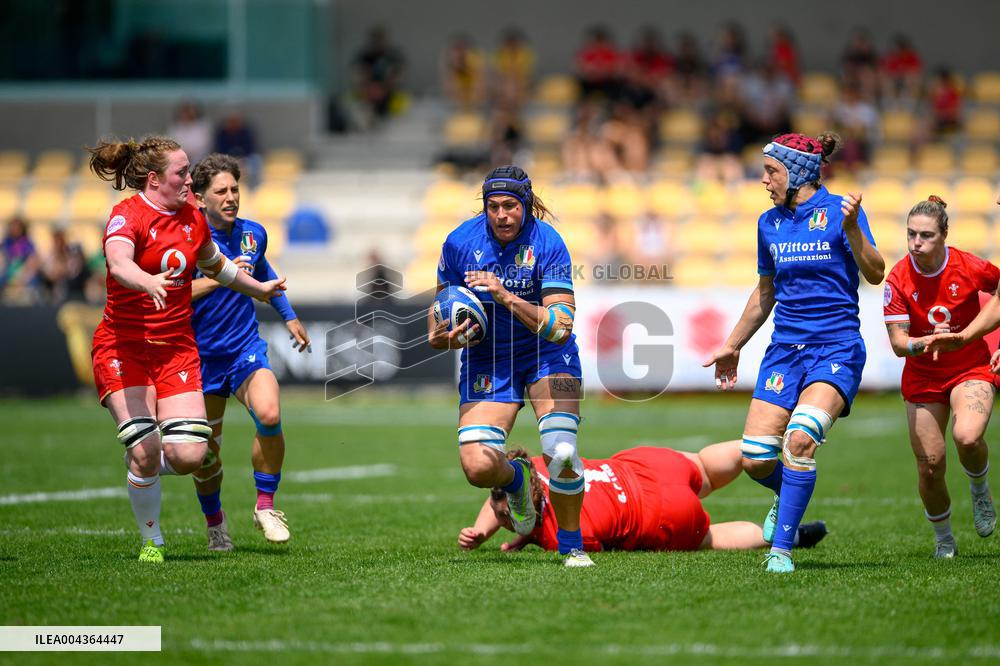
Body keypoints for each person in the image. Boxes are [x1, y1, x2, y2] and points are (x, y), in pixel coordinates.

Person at [87, 136, 287, 562]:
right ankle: (152, 541)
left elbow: (220, 266)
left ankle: (146, 460)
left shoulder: (192, 220)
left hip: (176, 348)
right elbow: (119, 262)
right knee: (143, 452)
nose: (188, 180)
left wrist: (261, 289)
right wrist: (147, 281)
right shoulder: (128, 215)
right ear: (155, 178)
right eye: (181, 172)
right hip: (125, 346)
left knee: (190, 454)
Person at [703, 131, 885, 573]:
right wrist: (732, 344)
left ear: (799, 172)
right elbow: (766, 293)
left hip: (836, 347)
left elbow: (877, 272)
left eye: (771, 172)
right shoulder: (769, 223)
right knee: (755, 457)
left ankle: (781, 550)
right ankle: (790, 498)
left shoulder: (841, 211)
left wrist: (852, 232)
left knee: (799, 442)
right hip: (784, 350)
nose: (764, 180)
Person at [429, 165, 591, 567]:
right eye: (493, 207)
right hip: (489, 357)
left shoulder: (549, 243)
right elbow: (435, 322)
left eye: (510, 206)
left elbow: (561, 326)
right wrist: (444, 337)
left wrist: (506, 297)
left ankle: (571, 545)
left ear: (527, 205)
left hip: (551, 355)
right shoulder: (459, 243)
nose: (501, 215)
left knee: (562, 449)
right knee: (478, 466)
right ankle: (518, 480)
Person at [189, 154, 311, 551]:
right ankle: (215, 523)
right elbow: (174, 293)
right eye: (220, 191)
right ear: (200, 197)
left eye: (235, 189)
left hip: (243, 348)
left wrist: (289, 316)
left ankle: (265, 506)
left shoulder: (253, 234)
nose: (230, 197)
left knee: (270, 413)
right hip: (197, 356)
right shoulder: (186, 240)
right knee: (205, 455)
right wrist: (223, 278)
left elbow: (263, 275)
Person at [458, 441, 829, 554]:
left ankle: (789, 537)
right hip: (645, 467)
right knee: (705, 464)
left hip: (660, 512)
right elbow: (505, 495)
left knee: (711, 538)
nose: (497, 518)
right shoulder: (535, 466)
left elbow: (596, 543)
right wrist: (483, 531)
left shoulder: (560, 536)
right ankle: (768, 439)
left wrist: (527, 537)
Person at [891, 198, 999, 556]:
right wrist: (924, 343)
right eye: (911, 234)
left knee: (967, 437)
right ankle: (944, 540)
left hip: (970, 366)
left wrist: (964, 338)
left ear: (944, 236)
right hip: (923, 377)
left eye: (925, 235)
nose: (915, 243)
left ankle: (980, 490)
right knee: (930, 467)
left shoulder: (969, 265)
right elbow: (898, 343)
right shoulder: (898, 278)